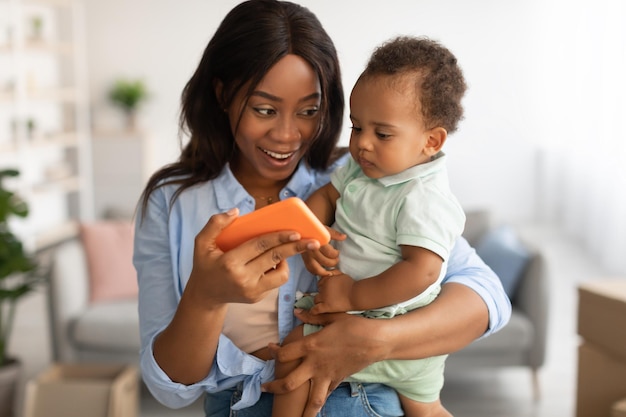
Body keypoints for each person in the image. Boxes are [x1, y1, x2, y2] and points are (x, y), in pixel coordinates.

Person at [133, 1, 511, 416]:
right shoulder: (172, 203)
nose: (287, 134)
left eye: (309, 111)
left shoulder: (367, 176)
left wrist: (376, 338)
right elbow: (171, 390)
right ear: (223, 94)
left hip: (359, 399)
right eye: (264, 109)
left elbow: (487, 296)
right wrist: (204, 299)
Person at [272, 36, 467, 417]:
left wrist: (353, 296)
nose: (362, 144)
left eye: (382, 134)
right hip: (374, 318)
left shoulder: (423, 197)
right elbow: (328, 197)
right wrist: (313, 231)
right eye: (357, 126)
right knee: (426, 409)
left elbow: (423, 270)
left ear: (431, 141)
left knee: (294, 353)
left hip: (387, 319)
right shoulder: (363, 171)